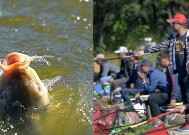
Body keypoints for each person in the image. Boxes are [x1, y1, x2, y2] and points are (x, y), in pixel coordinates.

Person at [148, 51, 181, 117]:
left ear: (166, 58)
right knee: (156, 96)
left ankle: (157, 120)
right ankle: (163, 118)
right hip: (174, 94)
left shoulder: (171, 68)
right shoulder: (170, 67)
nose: (159, 62)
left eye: (160, 59)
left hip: (177, 96)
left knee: (152, 98)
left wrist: (173, 97)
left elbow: (176, 84)